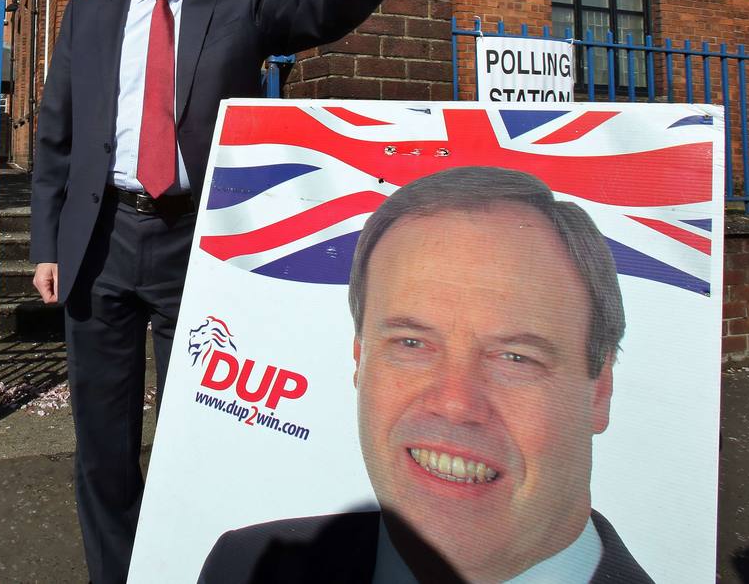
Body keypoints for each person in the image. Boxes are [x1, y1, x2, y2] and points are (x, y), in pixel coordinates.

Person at [30, 0, 413, 584]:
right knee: (103, 451)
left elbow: (324, 11)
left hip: (198, 249)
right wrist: (47, 242)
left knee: (198, 440)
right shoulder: (87, 13)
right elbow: (56, 140)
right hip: (100, 243)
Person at [198, 166, 652, 584]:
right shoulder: (245, 565)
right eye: (411, 344)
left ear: (600, 390)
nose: (455, 404)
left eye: (515, 357)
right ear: (360, 358)